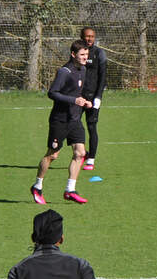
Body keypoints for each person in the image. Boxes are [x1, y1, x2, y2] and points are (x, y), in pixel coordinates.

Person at [32, 41, 92, 205]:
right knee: (53, 155)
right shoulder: (64, 72)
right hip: (60, 120)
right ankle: (37, 186)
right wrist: (74, 100)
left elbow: (77, 92)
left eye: (86, 55)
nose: (85, 58)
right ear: (73, 55)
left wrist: (85, 101)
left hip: (75, 119)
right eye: (82, 55)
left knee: (80, 153)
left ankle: (70, 190)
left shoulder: (83, 69)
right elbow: (52, 93)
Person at [79, 28, 107, 171]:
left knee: (91, 127)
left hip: (92, 97)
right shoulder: (77, 51)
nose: (89, 39)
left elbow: (102, 77)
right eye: (87, 36)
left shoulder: (99, 53)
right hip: (78, 97)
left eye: (92, 37)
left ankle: (91, 159)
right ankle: (83, 152)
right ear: (81, 37)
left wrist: (98, 97)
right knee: (73, 125)